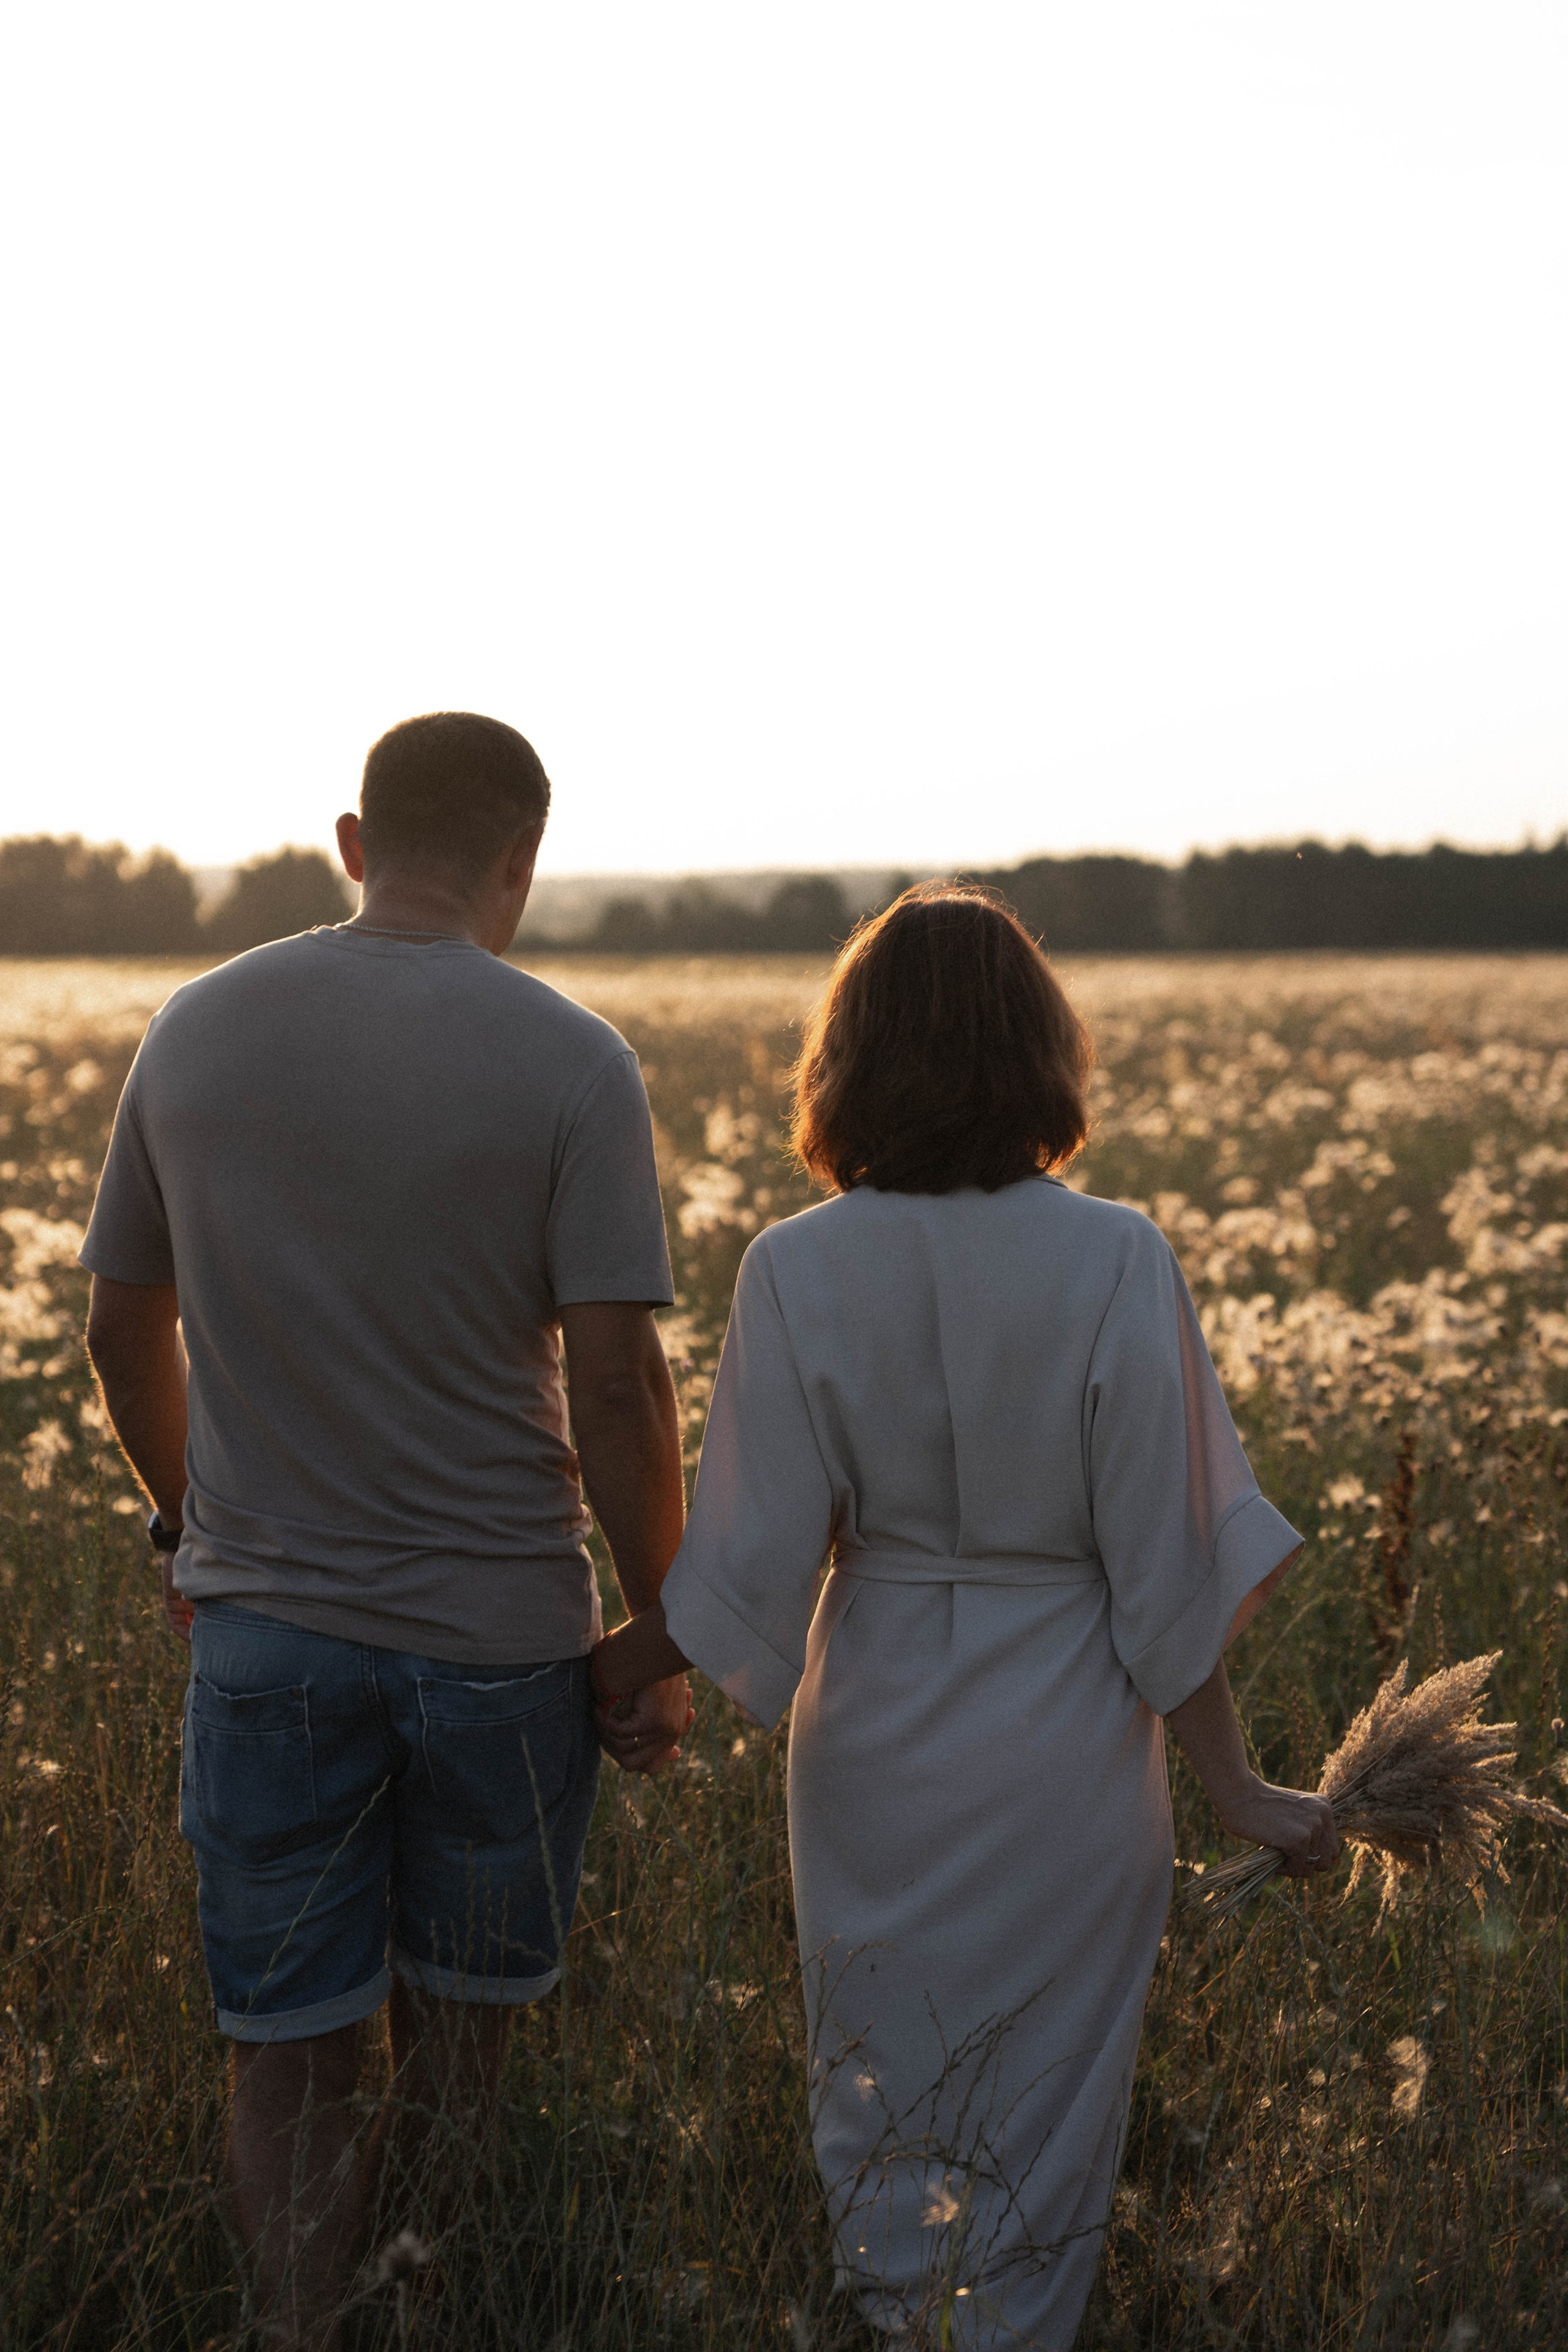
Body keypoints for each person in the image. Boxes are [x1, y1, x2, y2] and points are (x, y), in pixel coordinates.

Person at [591, 883, 1338, 2351]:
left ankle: (899, 2323)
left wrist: (605, 1668)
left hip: (872, 1738)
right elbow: (1162, 1572)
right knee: (1045, 2116)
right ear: (1038, 1053)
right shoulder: (1116, 1255)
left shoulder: (794, 1264)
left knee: (881, 2094)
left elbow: (744, 1562)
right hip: (1068, 1746)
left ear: (848, 1057)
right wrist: (1238, 1792)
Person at [81, 712, 691, 2351]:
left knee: (286, 2046)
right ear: (524, 859)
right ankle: (421, 2312)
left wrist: (191, 1523)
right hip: (502, 1648)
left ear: (352, 843)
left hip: (267, 1635)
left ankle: (298, 2329)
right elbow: (619, 1383)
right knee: (461, 2041)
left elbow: (122, 1325)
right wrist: (660, 1632)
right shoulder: (573, 1060)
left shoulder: (195, 1028)